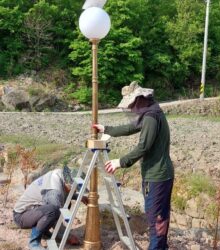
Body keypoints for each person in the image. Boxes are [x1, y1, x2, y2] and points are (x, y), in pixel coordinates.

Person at [93, 81, 174, 250]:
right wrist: (106, 129)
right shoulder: (150, 112)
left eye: (131, 104)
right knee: (159, 216)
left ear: (139, 100)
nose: (130, 109)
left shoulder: (151, 117)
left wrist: (120, 162)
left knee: (155, 219)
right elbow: (130, 127)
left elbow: (144, 146)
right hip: (159, 174)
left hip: (157, 176)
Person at [13, 166, 88, 250]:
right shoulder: (54, 193)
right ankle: (34, 243)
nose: (74, 191)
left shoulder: (60, 175)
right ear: (68, 183)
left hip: (33, 212)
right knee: (52, 211)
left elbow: (65, 190)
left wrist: (79, 197)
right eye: (74, 190)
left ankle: (44, 232)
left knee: (62, 205)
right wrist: (67, 236)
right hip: (21, 216)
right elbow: (56, 218)